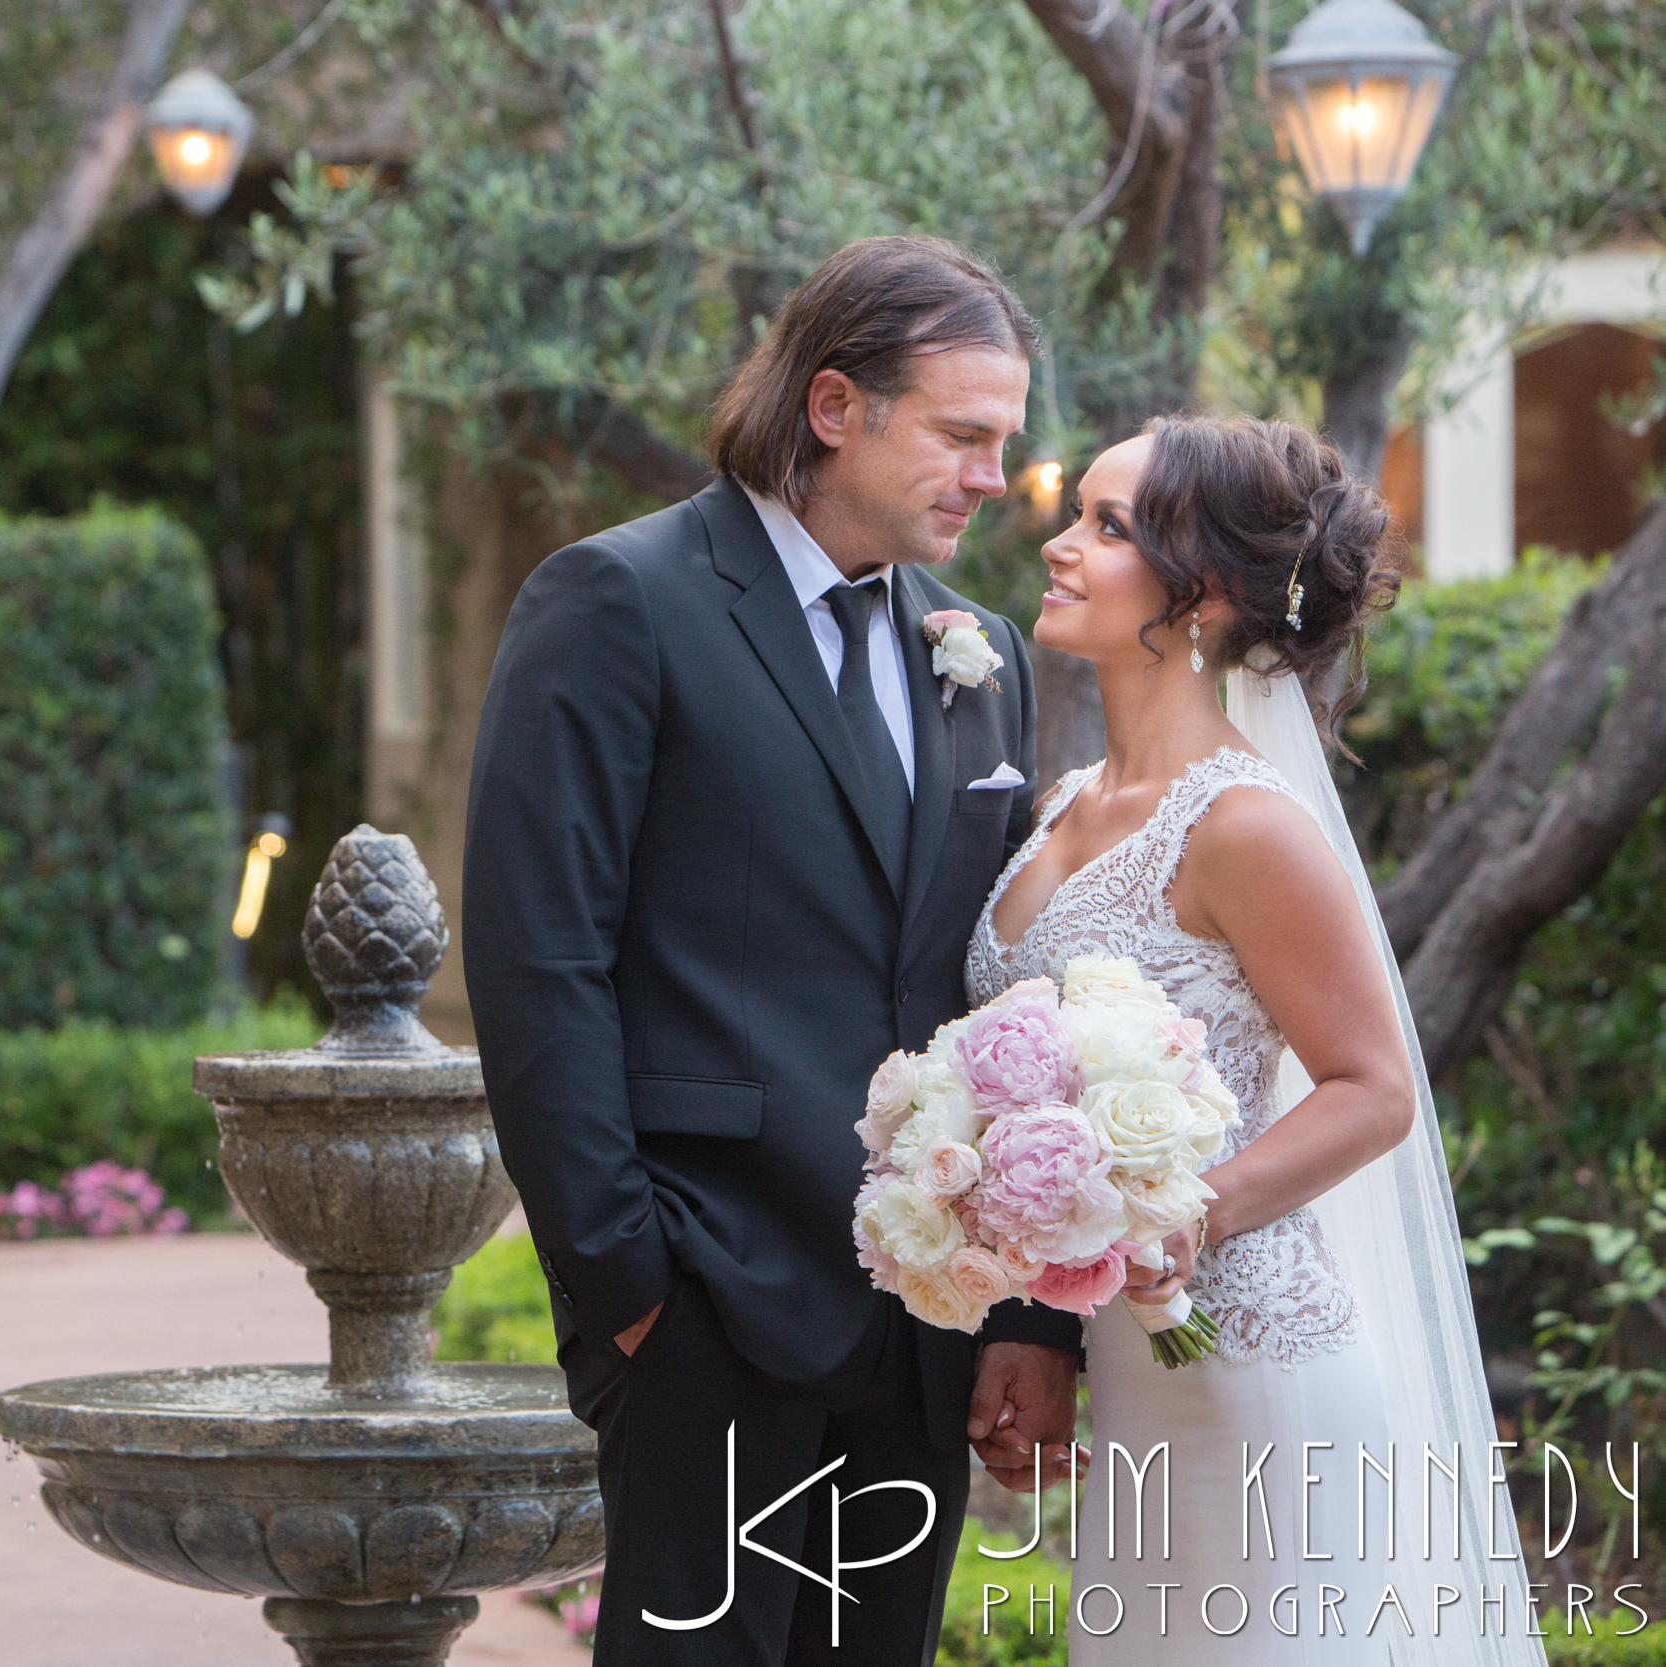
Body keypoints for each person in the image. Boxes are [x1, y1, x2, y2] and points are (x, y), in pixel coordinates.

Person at [464, 235, 1085, 1667]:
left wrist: (1029, 1310)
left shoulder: (973, 647)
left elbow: (1003, 995)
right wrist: (625, 1285)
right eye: (964, 434)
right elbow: (539, 956)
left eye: (1006, 441)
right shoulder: (617, 601)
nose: (993, 476)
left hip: (923, 1315)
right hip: (703, 1293)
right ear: (833, 406)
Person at [972, 414, 1538, 1664]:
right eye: (1080, 516)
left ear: (1206, 593)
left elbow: (1373, 1085)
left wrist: (1191, 1209)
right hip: (1132, 1367)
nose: (1059, 545)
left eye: (1105, 527)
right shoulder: (1063, 800)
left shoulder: (1240, 824)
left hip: (1246, 1367)